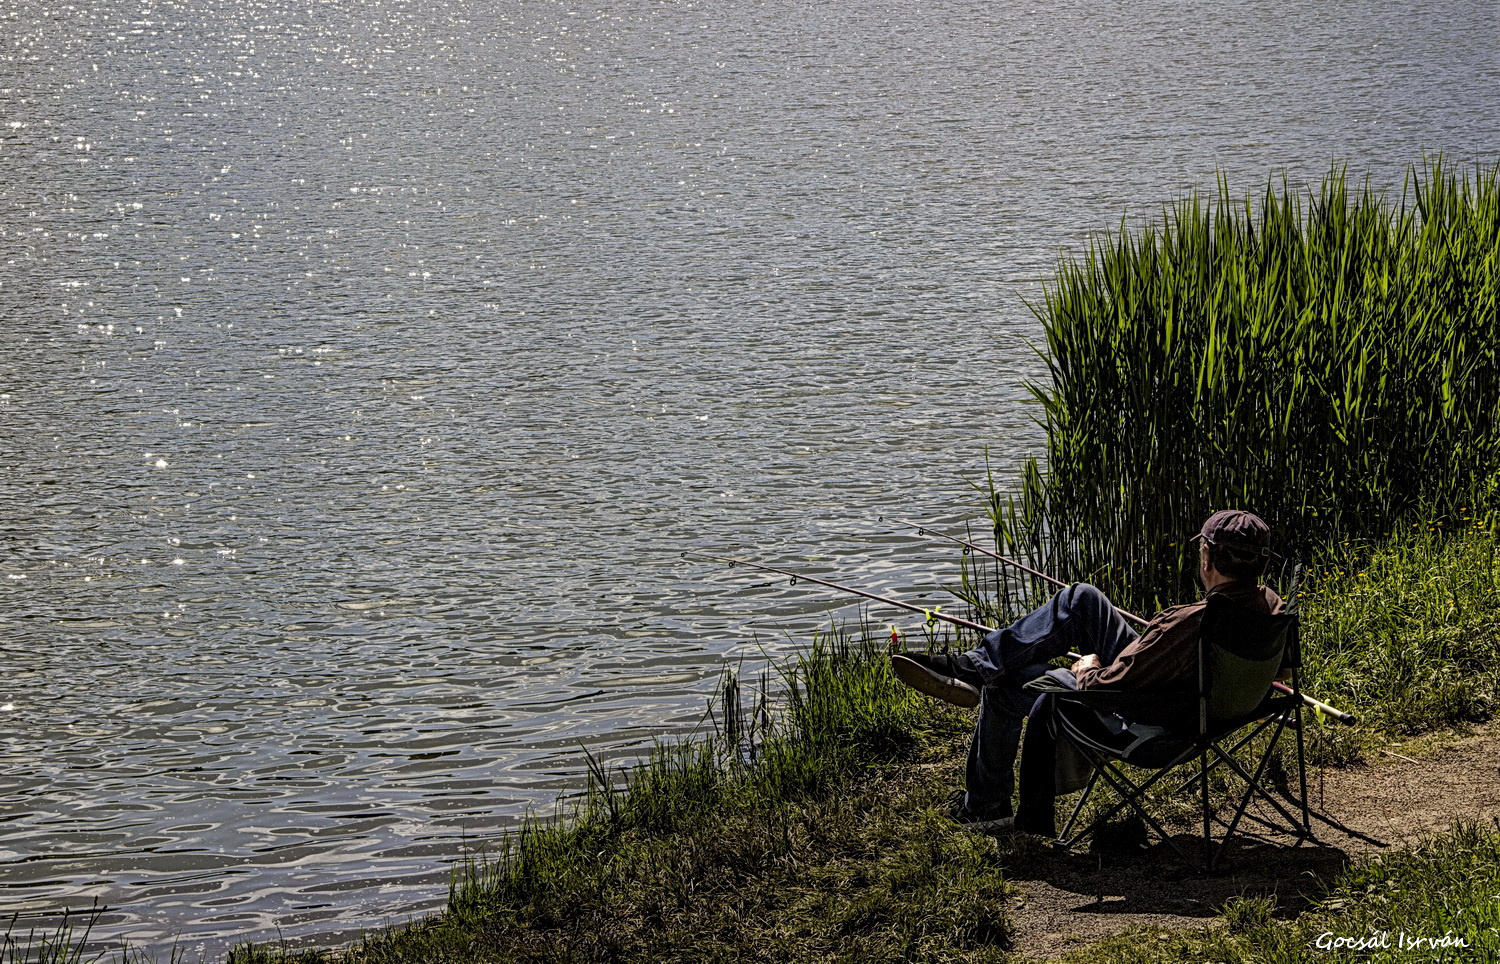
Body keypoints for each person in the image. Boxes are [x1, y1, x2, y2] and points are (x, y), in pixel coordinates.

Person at [891, 509, 1283, 834]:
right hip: (1197, 704)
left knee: (1008, 680)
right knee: (1083, 599)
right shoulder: (1271, 608)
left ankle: (985, 805)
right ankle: (974, 667)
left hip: (1148, 717)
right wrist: (1157, 645)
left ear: (1207, 558)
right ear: (1262, 562)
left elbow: (1112, 686)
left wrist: (1086, 669)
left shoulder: (1187, 624)